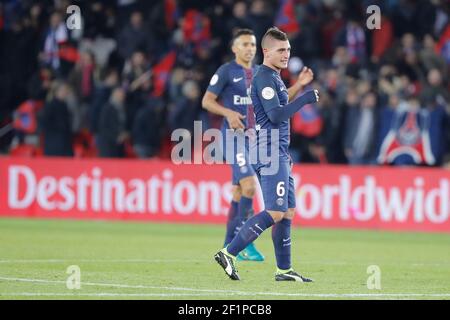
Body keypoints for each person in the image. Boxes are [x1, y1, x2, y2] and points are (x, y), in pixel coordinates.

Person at [214, 27, 319, 281]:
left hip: (278, 151)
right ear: (266, 52)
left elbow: (277, 110)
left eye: (289, 50)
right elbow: (275, 115)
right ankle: (229, 252)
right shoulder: (263, 77)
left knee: (288, 211)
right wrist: (305, 98)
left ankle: (284, 270)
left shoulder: (274, 77)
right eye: (281, 50)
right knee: (275, 211)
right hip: (269, 151)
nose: (286, 54)